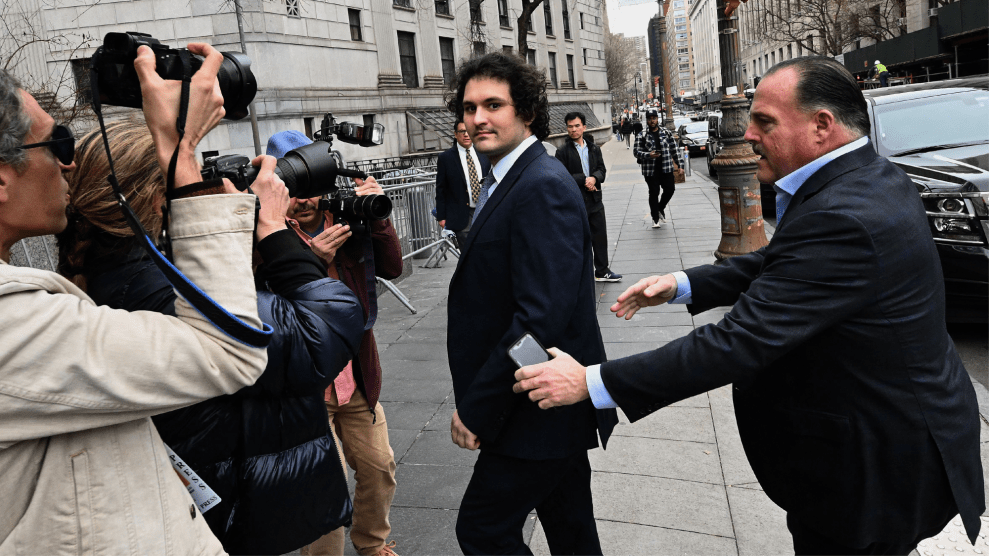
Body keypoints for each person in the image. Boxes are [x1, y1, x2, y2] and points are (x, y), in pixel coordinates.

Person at [513, 56, 985, 555]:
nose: (747, 133)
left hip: (872, 473)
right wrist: (682, 284)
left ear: (821, 125)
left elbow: (735, 342)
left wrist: (590, 383)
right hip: (879, 449)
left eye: (764, 121)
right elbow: (783, 260)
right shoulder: (868, 176)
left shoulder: (846, 215)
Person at [0, 45, 275, 553]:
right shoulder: (10, 329)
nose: (69, 161)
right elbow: (231, 350)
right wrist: (179, 149)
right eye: (57, 141)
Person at [56, 120, 365, 555]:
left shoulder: (108, 269)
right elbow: (323, 332)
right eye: (190, 180)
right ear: (157, 199)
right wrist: (274, 230)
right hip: (235, 504)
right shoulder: (158, 285)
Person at [443, 51, 618, 555]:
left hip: (535, 411)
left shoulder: (540, 185)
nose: (477, 118)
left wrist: (480, 406)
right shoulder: (511, 177)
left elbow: (539, 318)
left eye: (493, 105)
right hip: (543, 411)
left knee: (482, 530)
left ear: (526, 112)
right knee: (572, 534)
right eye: (470, 107)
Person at [266, 130, 404, 556]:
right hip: (304, 382)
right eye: (293, 189)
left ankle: (371, 542)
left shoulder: (347, 219)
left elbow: (393, 267)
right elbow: (259, 301)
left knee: (380, 466)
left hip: (355, 373)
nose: (304, 199)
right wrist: (310, 260)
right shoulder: (264, 234)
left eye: (311, 187)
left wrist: (378, 218)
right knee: (323, 482)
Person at [555, 111, 621, 282]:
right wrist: (584, 179)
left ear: (584, 127)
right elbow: (561, 177)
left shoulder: (594, 148)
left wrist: (594, 178)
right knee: (578, 240)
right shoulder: (562, 152)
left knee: (599, 236)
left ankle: (602, 271)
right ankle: (580, 273)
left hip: (595, 200)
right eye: (570, 126)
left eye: (577, 126)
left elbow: (602, 170)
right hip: (575, 202)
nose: (573, 130)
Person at [434, 119, 491, 248]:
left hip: (485, 210)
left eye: (468, 131)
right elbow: (441, 189)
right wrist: (441, 217)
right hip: (461, 215)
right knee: (468, 253)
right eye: (462, 131)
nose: (466, 134)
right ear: (455, 134)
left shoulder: (484, 152)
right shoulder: (446, 158)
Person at [634, 108, 683, 228]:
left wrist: (680, 165)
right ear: (647, 120)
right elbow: (636, 152)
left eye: (654, 118)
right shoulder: (642, 135)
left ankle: (660, 208)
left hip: (666, 167)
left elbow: (674, 149)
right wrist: (648, 155)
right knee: (654, 192)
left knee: (670, 189)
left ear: (657, 119)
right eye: (650, 119)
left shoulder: (666, 132)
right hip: (650, 170)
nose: (652, 121)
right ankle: (655, 218)